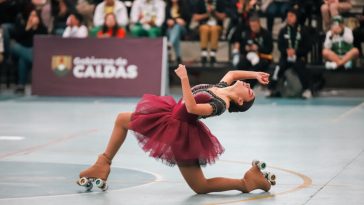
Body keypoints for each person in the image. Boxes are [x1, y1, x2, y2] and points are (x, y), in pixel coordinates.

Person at [77, 64, 275, 194]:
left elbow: (192, 108)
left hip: (180, 133)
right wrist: (255, 74)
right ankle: (102, 164)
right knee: (122, 119)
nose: (248, 85)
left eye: (249, 91)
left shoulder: (221, 104)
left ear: (240, 100)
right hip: (170, 116)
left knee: (200, 186)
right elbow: (232, 73)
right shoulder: (221, 87)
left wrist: (184, 79)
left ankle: (247, 183)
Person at [270, 8, 312, 98]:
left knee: (301, 68)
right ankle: (272, 88)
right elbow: (280, 46)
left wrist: (296, 52)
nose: (289, 18)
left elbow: (308, 47)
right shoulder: (283, 30)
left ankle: (307, 89)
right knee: (278, 68)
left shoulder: (303, 31)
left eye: (291, 16)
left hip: (299, 57)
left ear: (297, 17)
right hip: (285, 57)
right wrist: (286, 51)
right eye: (288, 16)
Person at [231, 13, 273, 88]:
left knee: (258, 65)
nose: (253, 28)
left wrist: (258, 48)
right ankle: (237, 85)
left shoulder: (266, 34)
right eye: (251, 26)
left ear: (259, 23)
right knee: (241, 63)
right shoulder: (248, 33)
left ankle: (248, 85)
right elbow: (242, 48)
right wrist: (246, 48)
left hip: (262, 56)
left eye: (255, 26)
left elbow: (269, 49)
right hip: (249, 55)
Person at [11, 9, 47, 93]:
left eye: (34, 15)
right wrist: (28, 27)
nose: (32, 17)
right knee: (14, 47)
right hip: (26, 50)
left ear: (39, 18)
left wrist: (35, 28)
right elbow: (19, 40)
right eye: (31, 15)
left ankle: (21, 85)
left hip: (37, 52)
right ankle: (33, 60)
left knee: (22, 60)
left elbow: (42, 43)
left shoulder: (42, 28)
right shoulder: (24, 27)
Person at [193, 0, 226, 66]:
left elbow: (223, 17)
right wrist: (207, 14)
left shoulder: (220, 2)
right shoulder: (200, 3)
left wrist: (214, 12)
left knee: (214, 29)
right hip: (204, 25)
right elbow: (195, 18)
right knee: (205, 28)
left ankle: (212, 54)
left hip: (217, 26)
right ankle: (204, 54)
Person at [164, 0, 191, 65]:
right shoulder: (167, 7)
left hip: (182, 29)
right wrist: (169, 22)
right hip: (170, 30)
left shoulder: (184, 6)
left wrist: (182, 22)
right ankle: (178, 56)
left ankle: (170, 43)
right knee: (175, 32)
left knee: (177, 27)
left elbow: (188, 19)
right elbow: (164, 21)